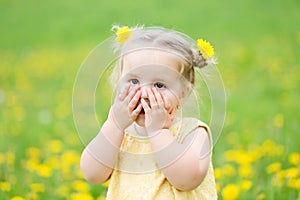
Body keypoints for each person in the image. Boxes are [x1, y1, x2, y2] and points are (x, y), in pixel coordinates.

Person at [80, 25, 218, 199]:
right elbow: (92, 174)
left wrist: (158, 132)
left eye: (159, 85)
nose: (144, 93)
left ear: (183, 93)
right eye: (133, 81)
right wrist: (114, 125)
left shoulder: (193, 132)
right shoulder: (121, 135)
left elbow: (187, 179)